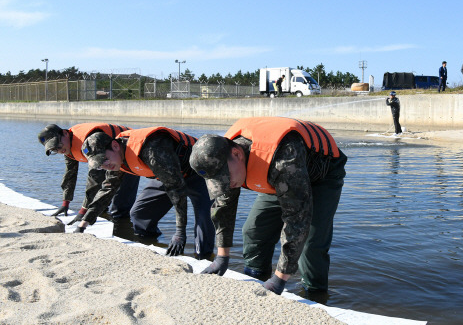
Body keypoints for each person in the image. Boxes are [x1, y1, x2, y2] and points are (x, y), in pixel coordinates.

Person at [189, 117, 347, 296]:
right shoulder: (223, 160)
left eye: (226, 178)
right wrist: (222, 257)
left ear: (237, 154)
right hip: (279, 177)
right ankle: (257, 276)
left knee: (311, 243)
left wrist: (280, 278)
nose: (227, 184)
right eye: (218, 181)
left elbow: (296, 218)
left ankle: (314, 294)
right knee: (253, 231)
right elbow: (223, 208)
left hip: (322, 174)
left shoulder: (284, 159)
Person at [79, 127, 215, 259]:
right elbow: (108, 189)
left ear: (115, 145)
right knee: (139, 214)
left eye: (104, 160)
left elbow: (176, 189)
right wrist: (85, 222)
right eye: (99, 165)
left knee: (204, 218)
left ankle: (204, 257)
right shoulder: (116, 158)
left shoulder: (152, 150)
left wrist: (180, 232)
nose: (104, 166)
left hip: (198, 172)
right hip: (167, 174)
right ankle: (154, 244)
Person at [37, 123, 139, 221]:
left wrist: (83, 212)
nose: (59, 150)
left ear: (65, 133)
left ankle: (120, 230)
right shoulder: (67, 146)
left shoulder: (90, 141)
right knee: (100, 206)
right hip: (107, 158)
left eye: (58, 145)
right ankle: (101, 220)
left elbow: (94, 179)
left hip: (129, 152)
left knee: (119, 207)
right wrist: (65, 203)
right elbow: (70, 174)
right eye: (54, 149)